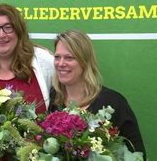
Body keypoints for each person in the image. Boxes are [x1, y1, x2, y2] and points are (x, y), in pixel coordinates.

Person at [49, 29, 146, 158]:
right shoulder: (53, 98)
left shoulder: (114, 103)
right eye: (57, 57)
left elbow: (138, 155)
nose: (61, 63)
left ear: (85, 61)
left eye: (69, 58)